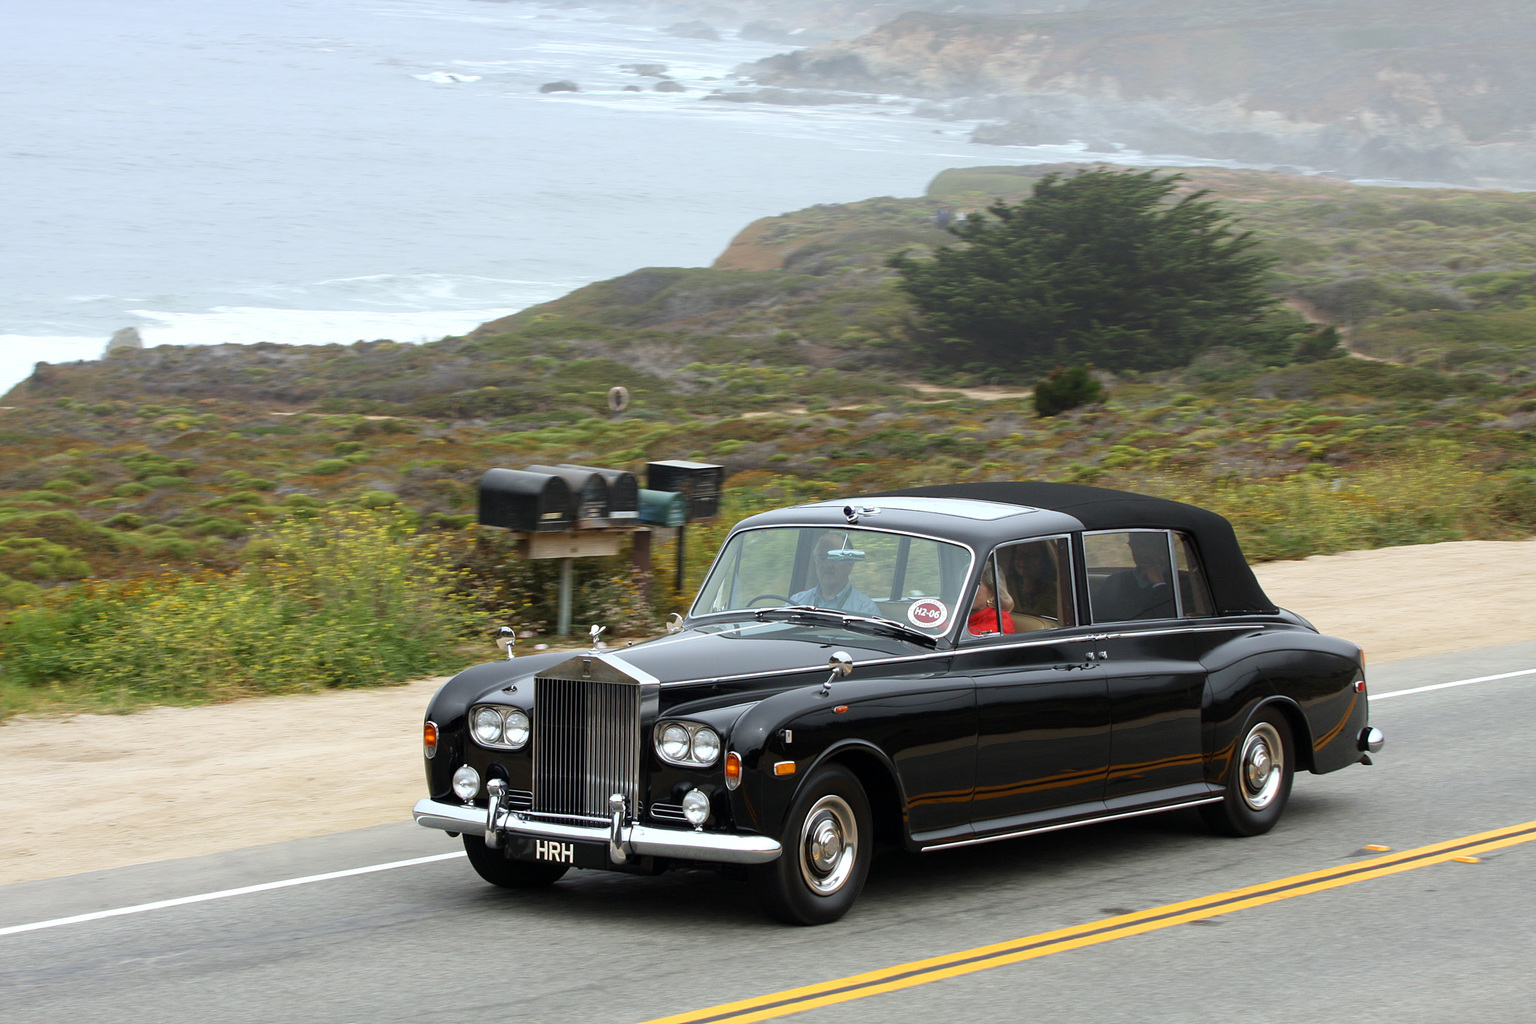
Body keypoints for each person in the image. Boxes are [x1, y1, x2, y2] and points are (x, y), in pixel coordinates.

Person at [789, 532, 881, 617]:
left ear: (850, 564)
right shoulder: (796, 602)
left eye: (834, 558)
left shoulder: (865, 609)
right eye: (821, 558)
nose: (827, 565)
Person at [1096, 532, 1176, 620]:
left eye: (1148, 543)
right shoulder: (1116, 581)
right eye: (1135, 544)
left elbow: (1172, 618)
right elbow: (1098, 617)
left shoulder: (1180, 582)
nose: (1141, 550)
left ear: (1161, 547)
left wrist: (1159, 584)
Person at [966, 570, 1015, 635]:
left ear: (992, 594)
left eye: (976, 585)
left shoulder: (1001, 619)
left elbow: (970, 636)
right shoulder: (965, 616)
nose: (967, 590)